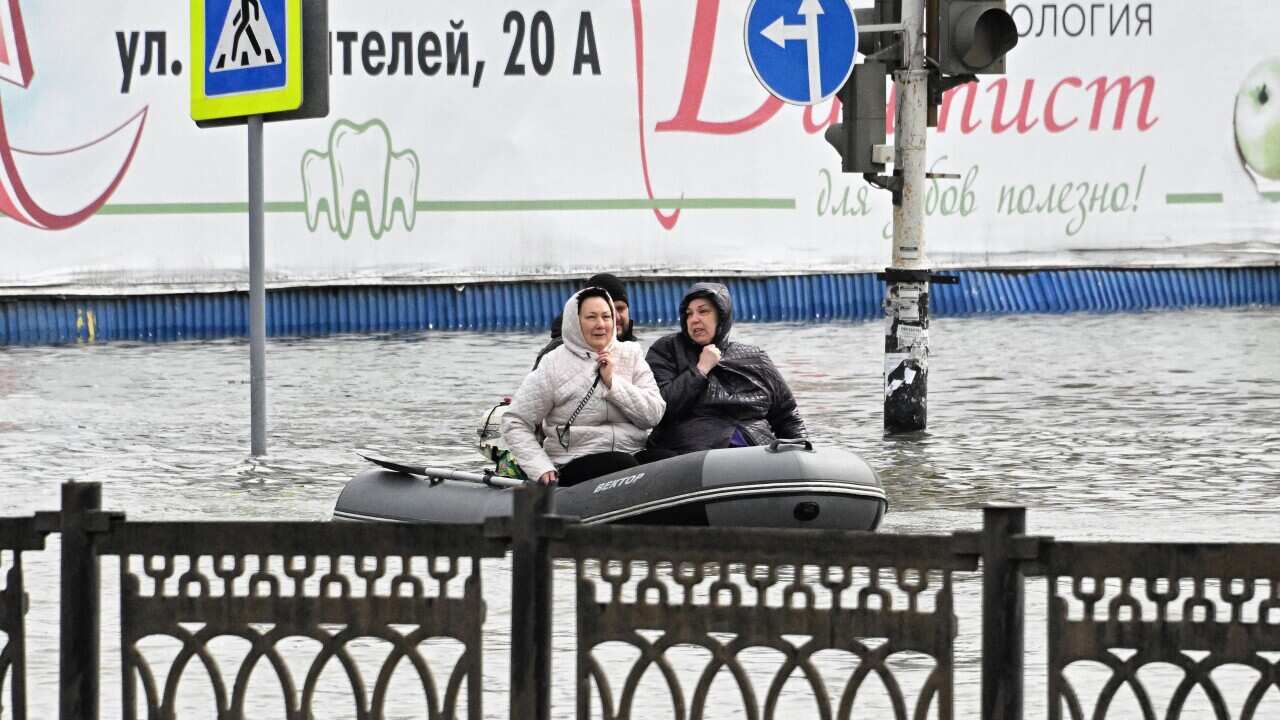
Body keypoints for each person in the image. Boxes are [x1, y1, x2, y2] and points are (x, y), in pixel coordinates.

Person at [503, 287, 666, 486]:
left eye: (606, 316)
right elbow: (515, 422)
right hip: (574, 461)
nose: (601, 324)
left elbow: (653, 415)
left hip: (632, 453)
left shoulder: (631, 354)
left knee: (667, 460)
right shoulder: (553, 363)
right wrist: (540, 467)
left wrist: (613, 384)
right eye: (591, 317)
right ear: (575, 321)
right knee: (622, 464)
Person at [645, 282, 807, 455]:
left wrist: (801, 452)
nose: (694, 319)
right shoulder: (667, 350)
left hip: (757, 450)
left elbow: (787, 415)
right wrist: (700, 370)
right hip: (692, 452)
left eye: (703, 311)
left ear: (722, 316)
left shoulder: (755, 358)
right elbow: (658, 409)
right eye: (688, 314)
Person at [533, 273, 636, 369]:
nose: (616, 317)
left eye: (620, 308)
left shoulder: (633, 350)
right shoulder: (555, 355)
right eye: (608, 311)